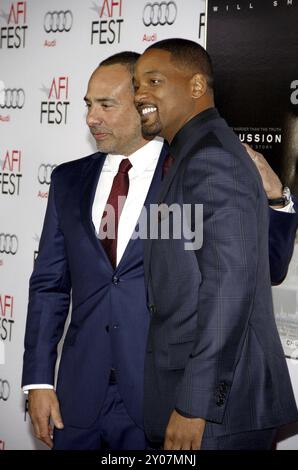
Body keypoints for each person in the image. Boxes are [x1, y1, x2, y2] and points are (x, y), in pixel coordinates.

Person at [22, 51, 297, 451]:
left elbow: (255, 269)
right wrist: (39, 379)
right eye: (87, 105)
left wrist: (277, 202)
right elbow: (49, 284)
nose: (90, 118)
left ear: (140, 106)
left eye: (106, 105)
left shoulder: (192, 169)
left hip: (161, 400)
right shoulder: (68, 181)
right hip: (77, 398)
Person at [134, 38, 298, 450]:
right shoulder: (185, 155)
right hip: (188, 391)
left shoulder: (211, 158)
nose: (140, 94)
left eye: (153, 80)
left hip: (217, 412)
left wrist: (195, 404)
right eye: (137, 84)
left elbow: (230, 285)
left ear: (195, 87)